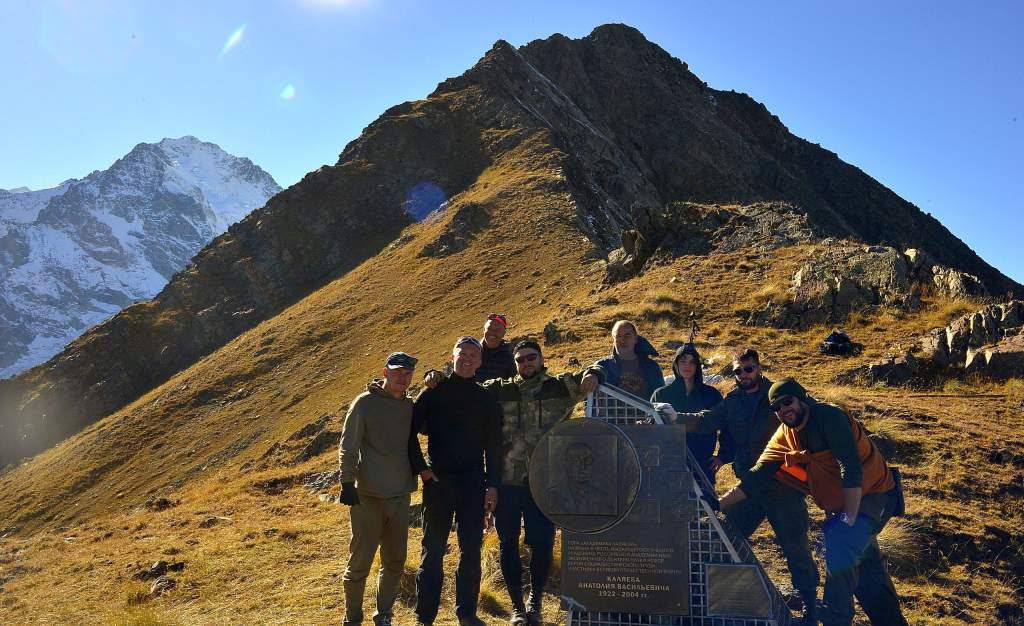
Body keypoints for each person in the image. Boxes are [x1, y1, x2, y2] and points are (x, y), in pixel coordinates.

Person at [424, 339, 600, 625]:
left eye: (531, 358)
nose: (526, 364)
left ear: (541, 359)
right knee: (507, 542)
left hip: (545, 482)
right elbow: (465, 383)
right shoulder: (500, 389)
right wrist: (436, 376)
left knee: (541, 543)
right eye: (520, 360)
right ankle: (517, 606)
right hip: (506, 482)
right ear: (515, 364)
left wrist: (596, 372)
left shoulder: (560, 387)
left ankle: (536, 601)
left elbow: (590, 375)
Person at [718, 378, 907, 626]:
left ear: (802, 398)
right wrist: (717, 504)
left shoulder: (829, 417)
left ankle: (834, 620)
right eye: (777, 407)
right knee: (867, 573)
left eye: (788, 402)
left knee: (841, 544)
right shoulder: (784, 436)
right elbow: (756, 477)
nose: (785, 410)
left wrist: (848, 519)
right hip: (842, 506)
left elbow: (850, 467)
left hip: (875, 494)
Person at [670, 348, 819, 625]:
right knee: (726, 537)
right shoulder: (733, 401)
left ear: (759, 368)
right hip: (748, 488)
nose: (743, 375)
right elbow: (707, 420)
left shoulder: (778, 396)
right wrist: (674, 417)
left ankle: (810, 606)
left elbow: (809, 416)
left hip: (783, 487)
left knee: (795, 548)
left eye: (748, 369)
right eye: (738, 371)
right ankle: (726, 600)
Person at [409, 336, 503, 626]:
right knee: (433, 550)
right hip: (438, 482)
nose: (467, 359)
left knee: (471, 550)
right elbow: (408, 432)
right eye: (462, 354)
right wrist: (422, 469)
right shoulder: (433, 392)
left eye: (473, 355)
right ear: (452, 357)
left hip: (473, 483)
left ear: (480, 362)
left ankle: (466, 613)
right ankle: (424, 617)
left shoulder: (486, 399)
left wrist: (493, 485)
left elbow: (495, 447)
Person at [338, 351, 425, 626]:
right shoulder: (364, 404)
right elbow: (348, 446)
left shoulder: (409, 406)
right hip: (368, 497)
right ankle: (352, 618)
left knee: (395, 562)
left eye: (408, 373)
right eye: (398, 372)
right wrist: (346, 482)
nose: (403, 377)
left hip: (400, 495)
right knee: (359, 564)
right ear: (385, 372)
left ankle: (384, 615)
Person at [650, 344, 735, 485]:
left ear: (697, 366)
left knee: (705, 505)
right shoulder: (661, 394)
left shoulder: (711, 394)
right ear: (676, 364)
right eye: (683, 361)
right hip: (668, 464)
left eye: (692, 362)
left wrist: (723, 456)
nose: (687, 366)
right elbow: (651, 428)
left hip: (702, 464)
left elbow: (725, 425)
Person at [592, 320, 665, 399]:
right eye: (618, 336)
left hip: (645, 411)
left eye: (627, 336)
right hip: (611, 411)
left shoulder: (652, 367)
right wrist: (590, 374)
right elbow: (590, 399)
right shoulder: (602, 366)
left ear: (636, 339)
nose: (622, 340)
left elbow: (661, 397)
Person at [477, 313, 516, 382]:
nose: (493, 332)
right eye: (489, 328)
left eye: (497, 330)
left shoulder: (510, 355)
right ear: (484, 330)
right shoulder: (473, 351)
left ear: (504, 333)